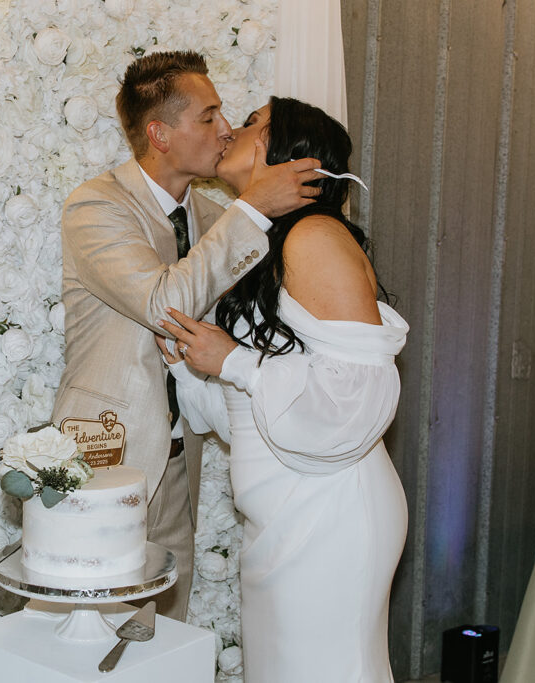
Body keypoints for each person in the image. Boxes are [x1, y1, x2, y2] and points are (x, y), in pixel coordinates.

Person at [50, 51, 322, 620]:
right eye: (208, 117)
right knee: (92, 627)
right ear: (160, 133)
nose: (226, 131)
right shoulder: (96, 205)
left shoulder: (210, 215)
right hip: (106, 451)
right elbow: (164, 305)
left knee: (164, 631)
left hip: (181, 457)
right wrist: (249, 210)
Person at [157, 96, 409, 680]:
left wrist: (234, 362)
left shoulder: (315, 236)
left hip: (332, 509)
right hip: (284, 508)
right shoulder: (263, 246)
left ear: (289, 155)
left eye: (251, 124)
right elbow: (253, 413)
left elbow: (358, 396)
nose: (230, 131)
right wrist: (189, 363)